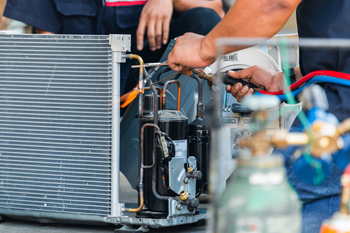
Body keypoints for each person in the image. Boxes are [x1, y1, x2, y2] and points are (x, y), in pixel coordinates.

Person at [168, 0, 350, 232]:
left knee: (248, 203)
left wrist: (203, 48)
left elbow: (274, 2)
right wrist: (285, 80)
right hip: (339, 102)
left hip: (340, 117)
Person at [3, 0, 224, 94]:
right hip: (81, 93)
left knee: (203, 20)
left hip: (154, 87)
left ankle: (180, 161)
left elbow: (214, 10)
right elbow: (45, 50)